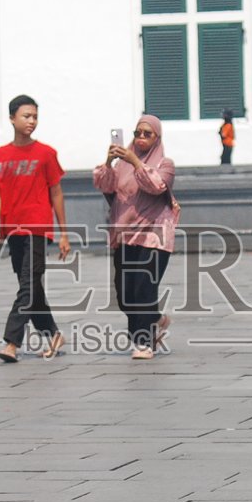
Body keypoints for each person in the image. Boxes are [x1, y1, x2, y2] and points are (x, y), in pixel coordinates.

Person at [0, 95, 70, 363]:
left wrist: (63, 233)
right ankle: (54, 334)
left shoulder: (46, 154)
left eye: (35, 116)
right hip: (12, 230)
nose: (31, 121)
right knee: (31, 288)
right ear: (12, 118)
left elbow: (56, 193)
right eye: (26, 116)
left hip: (37, 229)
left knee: (27, 286)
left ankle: (11, 342)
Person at [94, 114, 177, 360]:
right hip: (124, 234)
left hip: (154, 235)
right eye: (137, 133)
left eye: (147, 133)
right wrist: (109, 162)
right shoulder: (122, 166)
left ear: (157, 138)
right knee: (124, 293)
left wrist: (136, 162)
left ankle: (143, 342)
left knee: (144, 288)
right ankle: (156, 318)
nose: (141, 138)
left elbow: (156, 185)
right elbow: (104, 185)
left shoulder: (166, 164)